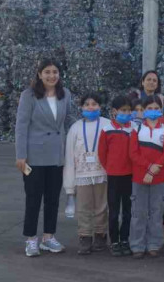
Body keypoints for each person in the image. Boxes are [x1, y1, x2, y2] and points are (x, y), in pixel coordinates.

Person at [15, 59, 77, 257]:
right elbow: (21, 126)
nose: (52, 76)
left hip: (57, 155)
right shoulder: (29, 96)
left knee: (52, 199)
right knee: (33, 199)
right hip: (34, 156)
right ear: (40, 74)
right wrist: (21, 155)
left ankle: (48, 237)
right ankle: (31, 239)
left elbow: (68, 121)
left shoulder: (65, 94)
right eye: (47, 72)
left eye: (55, 72)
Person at [64, 93, 111, 255]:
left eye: (94, 104)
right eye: (87, 104)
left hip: (102, 173)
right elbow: (69, 157)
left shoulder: (107, 124)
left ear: (100, 106)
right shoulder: (75, 128)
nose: (91, 107)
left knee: (102, 206)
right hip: (81, 176)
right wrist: (69, 186)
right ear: (82, 107)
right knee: (83, 207)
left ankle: (100, 234)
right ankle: (85, 236)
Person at [128, 95, 164, 258]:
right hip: (139, 177)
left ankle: (154, 244)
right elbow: (133, 153)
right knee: (138, 213)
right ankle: (137, 245)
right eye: (149, 108)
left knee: (156, 212)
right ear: (144, 110)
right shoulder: (137, 129)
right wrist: (148, 168)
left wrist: (154, 170)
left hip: (159, 177)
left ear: (160, 110)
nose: (153, 111)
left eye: (156, 108)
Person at [98, 95, 136, 257]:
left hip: (130, 176)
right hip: (114, 176)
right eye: (123, 110)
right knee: (114, 211)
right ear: (114, 112)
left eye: (128, 110)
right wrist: (110, 168)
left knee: (128, 210)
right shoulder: (107, 130)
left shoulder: (133, 128)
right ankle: (114, 241)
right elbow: (102, 153)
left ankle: (125, 239)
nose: (126, 113)